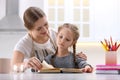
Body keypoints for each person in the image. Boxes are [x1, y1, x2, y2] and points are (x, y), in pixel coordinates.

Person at [11, 7, 87, 71]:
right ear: (29, 29)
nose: (44, 30)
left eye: (46, 24)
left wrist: (74, 56)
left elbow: (63, 51)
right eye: (39, 28)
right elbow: (13, 66)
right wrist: (25, 64)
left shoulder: (55, 34)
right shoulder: (24, 44)